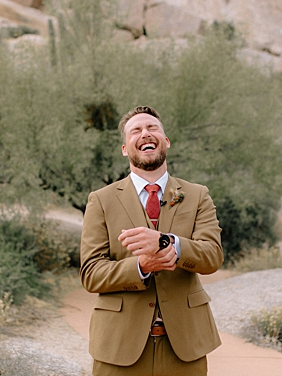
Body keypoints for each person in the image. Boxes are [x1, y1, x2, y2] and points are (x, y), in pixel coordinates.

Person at [80, 106, 224, 375]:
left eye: (152, 128)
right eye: (136, 130)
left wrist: (171, 244)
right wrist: (141, 266)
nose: (145, 133)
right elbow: (91, 274)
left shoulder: (198, 195)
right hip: (119, 347)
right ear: (125, 149)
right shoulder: (100, 200)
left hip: (185, 347)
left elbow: (213, 255)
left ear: (165, 142)